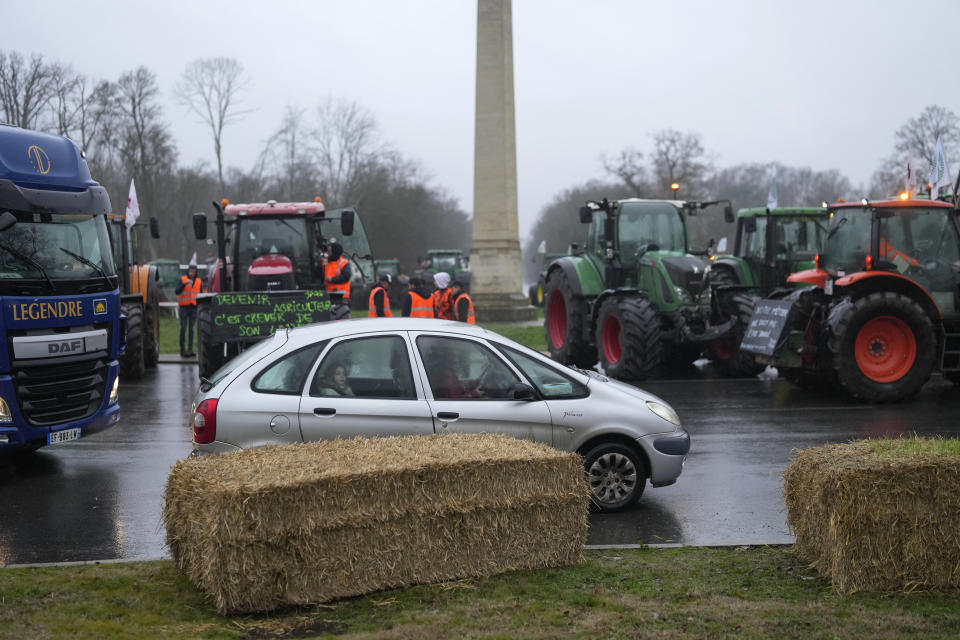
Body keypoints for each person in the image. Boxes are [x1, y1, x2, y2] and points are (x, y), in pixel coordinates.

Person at [175, 262, 203, 357]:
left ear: (196, 272)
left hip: (194, 308)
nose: (192, 273)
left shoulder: (199, 281)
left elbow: (201, 295)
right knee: (183, 329)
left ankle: (190, 350)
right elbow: (177, 291)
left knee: (191, 330)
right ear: (188, 271)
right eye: (191, 271)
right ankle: (182, 350)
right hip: (184, 308)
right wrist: (184, 284)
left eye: (194, 271)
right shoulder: (183, 280)